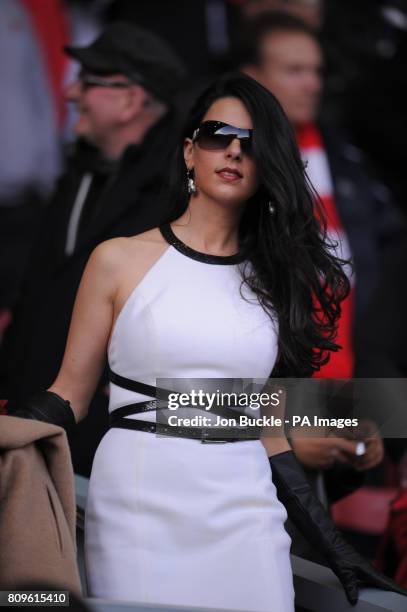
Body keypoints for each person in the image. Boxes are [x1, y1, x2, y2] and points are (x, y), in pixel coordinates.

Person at [6, 73, 406, 609]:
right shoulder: (118, 259)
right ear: (190, 151)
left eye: (252, 142)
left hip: (247, 510)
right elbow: (71, 396)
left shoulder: (278, 279)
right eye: (218, 134)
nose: (234, 149)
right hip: (138, 502)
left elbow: (267, 421)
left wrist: (335, 545)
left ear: (268, 165)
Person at [0, 22, 185, 475]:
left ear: (130, 99)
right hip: (36, 424)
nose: (70, 93)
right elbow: (36, 296)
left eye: (88, 81)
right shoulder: (78, 172)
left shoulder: (177, 197)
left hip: (111, 445)